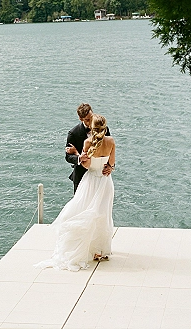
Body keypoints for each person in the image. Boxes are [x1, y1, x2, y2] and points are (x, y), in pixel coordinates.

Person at [35, 114, 116, 271]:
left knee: (82, 211)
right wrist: (108, 168)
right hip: (105, 182)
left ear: (92, 128)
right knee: (103, 214)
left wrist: (78, 154)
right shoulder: (111, 141)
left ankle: (87, 247)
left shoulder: (87, 142)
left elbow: (86, 166)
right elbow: (111, 163)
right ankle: (100, 250)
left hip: (91, 181)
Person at [65, 103, 112, 193]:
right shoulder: (73, 133)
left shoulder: (104, 129)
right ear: (80, 118)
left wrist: (111, 166)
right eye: (87, 120)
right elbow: (67, 157)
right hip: (81, 175)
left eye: (91, 118)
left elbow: (109, 148)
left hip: (101, 174)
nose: (91, 121)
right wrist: (79, 158)